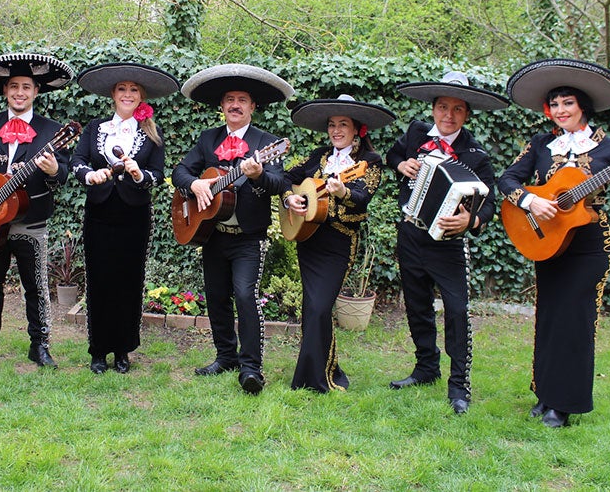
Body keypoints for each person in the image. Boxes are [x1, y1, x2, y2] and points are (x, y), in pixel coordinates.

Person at [498, 59, 610, 428]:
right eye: (554, 105)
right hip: (549, 241)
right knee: (550, 317)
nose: (560, 111)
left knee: (575, 320)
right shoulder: (540, 143)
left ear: (582, 106)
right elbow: (508, 180)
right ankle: (545, 393)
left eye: (567, 103)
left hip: (588, 245)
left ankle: (564, 405)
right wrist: (530, 201)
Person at [386, 71, 509, 414]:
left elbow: (490, 203)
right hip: (410, 234)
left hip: (448, 243)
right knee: (416, 306)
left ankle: (459, 386)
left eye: (457, 109)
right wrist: (402, 164)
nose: (448, 115)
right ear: (433, 108)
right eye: (442, 107)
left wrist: (471, 220)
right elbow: (390, 157)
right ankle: (426, 369)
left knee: (457, 311)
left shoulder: (476, 155)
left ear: (466, 113)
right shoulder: (414, 134)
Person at [172, 63, 294, 395]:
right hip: (211, 233)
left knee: (245, 295)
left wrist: (257, 174)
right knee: (215, 297)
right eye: (229, 99)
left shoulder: (267, 143)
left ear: (253, 106)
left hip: (248, 237)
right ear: (222, 106)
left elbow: (280, 182)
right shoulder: (208, 138)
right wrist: (196, 183)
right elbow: (179, 172)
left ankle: (251, 367)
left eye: (242, 99)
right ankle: (225, 356)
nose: (235, 105)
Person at [0, 53, 74, 369]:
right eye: (14, 87)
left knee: (35, 286)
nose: (20, 93)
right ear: (5, 91)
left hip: (31, 220)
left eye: (26, 87)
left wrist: (50, 170)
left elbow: (64, 173)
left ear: (36, 91)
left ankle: (40, 346)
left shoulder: (52, 131)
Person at [70, 63, 179, 374]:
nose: (127, 94)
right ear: (113, 95)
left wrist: (139, 173)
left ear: (141, 97)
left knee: (129, 281)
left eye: (134, 90)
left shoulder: (152, 136)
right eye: (122, 89)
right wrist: (90, 175)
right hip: (99, 212)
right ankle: (98, 349)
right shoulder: (95, 128)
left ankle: (122, 350)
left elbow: (158, 175)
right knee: (99, 279)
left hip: (134, 214)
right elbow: (77, 160)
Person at [283, 94, 394, 392]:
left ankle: (323, 378)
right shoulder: (319, 156)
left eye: (343, 124)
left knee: (320, 307)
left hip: (340, 243)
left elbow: (363, 199)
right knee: (311, 308)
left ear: (358, 128)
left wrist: (343, 191)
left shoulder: (368, 162)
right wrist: (289, 197)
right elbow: (284, 177)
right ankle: (312, 374)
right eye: (332, 125)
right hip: (309, 238)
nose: (336, 130)